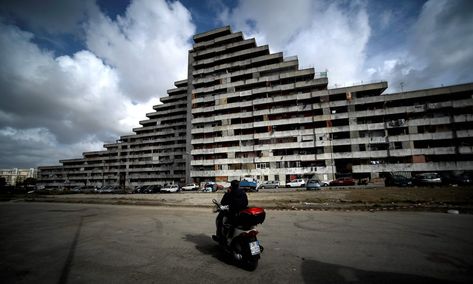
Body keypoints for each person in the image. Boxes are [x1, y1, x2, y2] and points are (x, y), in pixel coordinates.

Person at [214, 180, 248, 244]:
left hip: (233, 213)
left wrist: (227, 193)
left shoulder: (230, 193)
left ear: (231, 186)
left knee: (222, 221)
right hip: (242, 213)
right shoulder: (243, 192)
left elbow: (223, 203)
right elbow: (246, 202)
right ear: (238, 185)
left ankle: (223, 238)